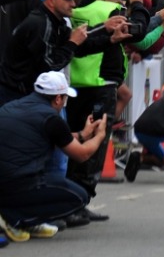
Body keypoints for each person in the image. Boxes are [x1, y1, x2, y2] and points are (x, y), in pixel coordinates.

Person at [66, 0, 149, 220]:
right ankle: (79, 202)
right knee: (95, 145)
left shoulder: (72, 10)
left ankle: (68, 200)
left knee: (73, 141)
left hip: (73, 85)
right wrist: (137, 5)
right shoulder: (108, 9)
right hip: (101, 84)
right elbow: (138, 33)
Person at [0, 71, 107, 243]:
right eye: (64, 98)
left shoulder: (13, 106)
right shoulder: (51, 117)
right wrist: (100, 136)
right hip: (21, 182)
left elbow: (54, 136)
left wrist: (83, 134)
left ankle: (12, 213)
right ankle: (16, 218)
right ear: (57, 99)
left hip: (5, 180)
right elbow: (82, 154)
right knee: (80, 197)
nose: (64, 103)